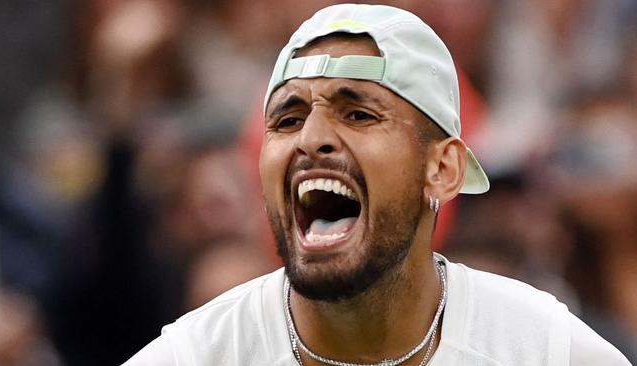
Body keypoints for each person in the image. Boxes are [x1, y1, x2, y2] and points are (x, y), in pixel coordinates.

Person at [124, 4, 630, 365]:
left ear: (444, 168)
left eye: (359, 113)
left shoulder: (545, 352)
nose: (312, 139)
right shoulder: (195, 356)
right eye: (287, 119)